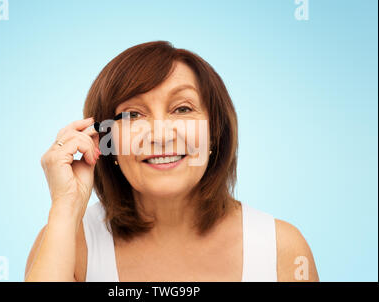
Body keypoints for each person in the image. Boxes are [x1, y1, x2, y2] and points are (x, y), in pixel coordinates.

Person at [24, 41, 319, 282]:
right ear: (105, 141)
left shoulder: (281, 248)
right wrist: (65, 206)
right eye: (134, 115)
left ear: (214, 132)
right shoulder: (69, 244)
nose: (160, 135)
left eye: (182, 108)